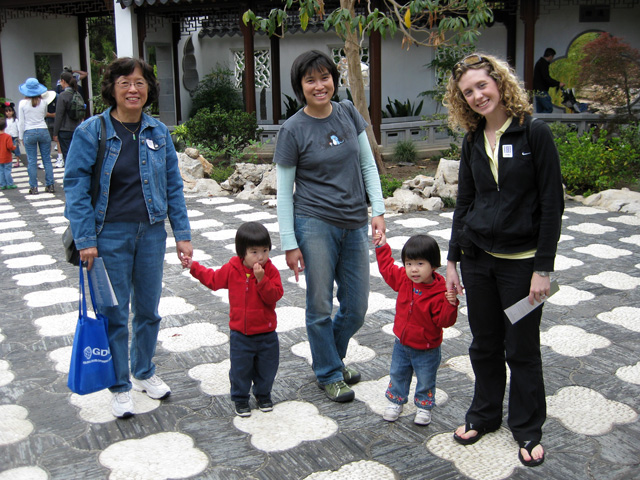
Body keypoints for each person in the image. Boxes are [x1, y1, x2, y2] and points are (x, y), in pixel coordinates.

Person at [444, 53, 564, 467]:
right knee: (484, 344)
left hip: (521, 265)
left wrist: (542, 269)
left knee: (522, 349)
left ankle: (528, 428)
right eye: (468, 92)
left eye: (482, 85)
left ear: (500, 83)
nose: (477, 96)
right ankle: (485, 414)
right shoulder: (473, 139)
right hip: (478, 261)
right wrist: (452, 261)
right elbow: (465, 201)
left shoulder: (534, 134)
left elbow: (552, 205)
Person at [64, 57, 192, 419]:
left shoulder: (158, 132)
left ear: (148, 88)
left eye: (139, 82)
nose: (133, 89)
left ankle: (143, 371)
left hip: (151, 232)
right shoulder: (93, 131)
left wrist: (182, 234)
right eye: (125, 83)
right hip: (108, 235)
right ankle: (119, 384)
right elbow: (74, 188)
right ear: (112, 89)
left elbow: (173, 186)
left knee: (148, 311)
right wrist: (86, 238)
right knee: (115, 313)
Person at [273, 50, 386, 403]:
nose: (319, 85)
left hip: (353, 222)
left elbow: (367, 165)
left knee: (356, 306)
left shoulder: (349, 112)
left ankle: (330, 359)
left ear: (333, 80)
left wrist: (378, 210)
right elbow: (284, 193)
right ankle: (328, 372)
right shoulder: (292, 130)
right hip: (314, 223)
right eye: (310, 80)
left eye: (325, 77)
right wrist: (289, 242)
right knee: (320, 305)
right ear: (300, 87)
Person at [182, 222, 283, 417]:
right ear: (241, 253)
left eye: (265, 250)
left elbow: (274, 296)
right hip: (241, 334)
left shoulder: (270, 271)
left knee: (267, 368)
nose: (261, 257)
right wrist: (194, 267)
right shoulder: (232, 269)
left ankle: (263, 395)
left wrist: (262, 280)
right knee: (240, 369)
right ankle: (240, 399)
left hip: (267, 334)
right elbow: (213, 280)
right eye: (254, 252)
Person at [375, 232, 458, 425]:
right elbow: (387, 269)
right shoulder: (404, 280)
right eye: (409, 263)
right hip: (401, 344)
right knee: (397, 374)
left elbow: (444, 321)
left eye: (420, 264)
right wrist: (381, 247)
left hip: (427, 348)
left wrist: (450, 304)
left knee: (426, 379)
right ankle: (395, 401)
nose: (413, 269)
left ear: (434, 266)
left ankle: (424, 406)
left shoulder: (440, 292)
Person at [18, 78, 56, 194]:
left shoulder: (22, 103)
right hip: (43, 130)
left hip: (29, 132)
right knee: (46, 159)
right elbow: (44, 115)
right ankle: (50, 185)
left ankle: (33, 187)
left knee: (32, 160)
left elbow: (21, 122)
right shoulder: (43, 102)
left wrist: (20, 137)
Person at [53, 71, 84, 168]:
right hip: (76, 128)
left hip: (64, 130)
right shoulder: (77, 93)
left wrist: (55, 133)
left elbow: (59, 115)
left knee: (67, 156)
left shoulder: (62, 95)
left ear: (63, 81)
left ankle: (70, 178)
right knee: (76, 155)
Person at [532, 48, 565, 113]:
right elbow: (546, 78)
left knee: (540, 111)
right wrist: (557, 83)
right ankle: (542, 122)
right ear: (550, 56)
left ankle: (539, 122)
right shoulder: (544, 64)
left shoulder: (539, 62)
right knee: (548, 109)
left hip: (537, 90)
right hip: (542, 90)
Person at [0, 117, 17, 189]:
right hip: (6, 156)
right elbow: (10, 147)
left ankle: (2, 184)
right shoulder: (7, 136)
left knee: (1, 171)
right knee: (7, 170)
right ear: (5, 126)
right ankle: (9, 183)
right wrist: (15, 146)